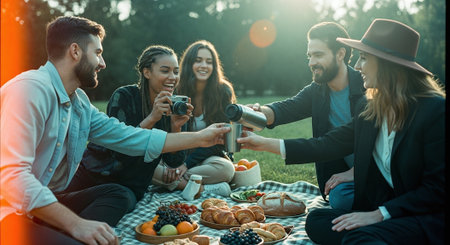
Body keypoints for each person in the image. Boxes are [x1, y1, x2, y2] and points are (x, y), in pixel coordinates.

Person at [0, 16, 229, 245]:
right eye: (97, 53)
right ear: (75, 51)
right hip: (7, 209)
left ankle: (62, 233)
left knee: (118, 194)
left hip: (37, 205)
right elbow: (12, 178)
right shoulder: (30, 90)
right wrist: (76, 224)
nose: (102, 63)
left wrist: (200, 137)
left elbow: (130, 137)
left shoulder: (79, 103)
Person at [238, 18, 445, 245]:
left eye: (364, 58)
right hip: (384, 205)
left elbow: (437, 190)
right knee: (317, 221)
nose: (357, 65)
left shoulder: (434, 110)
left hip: (425, 215)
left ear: (387, 64)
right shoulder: (372, 108)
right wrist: (259, 142)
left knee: (358, 237)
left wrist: (379, 214)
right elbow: (327, 144)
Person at [248, 22, 365, 210]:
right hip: (342, 181)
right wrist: (256, 113)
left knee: (340, 206)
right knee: (339, 200)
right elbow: (285, 109)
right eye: (310, 56)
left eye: (318, 55)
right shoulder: (317, 91)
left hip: (375, 170)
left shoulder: (367, 86)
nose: (311, 63)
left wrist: (357, 171)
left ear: (340, 54)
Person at [64, 45, 191, 205]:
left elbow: (174, 162)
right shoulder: (124, 96)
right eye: (165, 71)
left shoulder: (173, 107)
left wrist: (176, 127)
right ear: (147, 72)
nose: (172, 77)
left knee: (118, 203)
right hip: (94, 175)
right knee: (51, 209)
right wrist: (152, 118)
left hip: (129, 187)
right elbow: (119, 151)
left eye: (176, 71)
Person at [152, 40, 237, 198]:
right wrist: (177, 164)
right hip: (176, 155)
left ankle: (173, 181)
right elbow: (165, 136)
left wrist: (186, 165)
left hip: (205, 157)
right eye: (198, 60)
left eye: (209, 62)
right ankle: (203, 189)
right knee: (149, 167)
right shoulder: (175, 90)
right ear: (189, 64)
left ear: (214, 66)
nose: (204, 65)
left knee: (227, 169)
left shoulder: (223, 91)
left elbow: (220, 138)